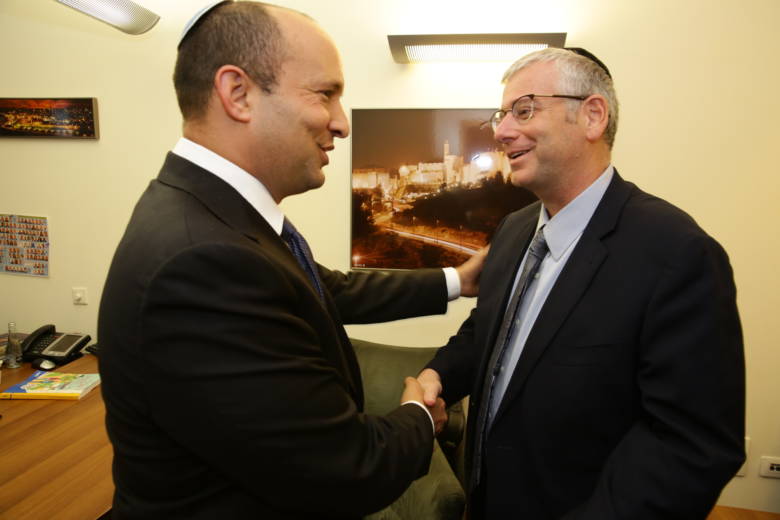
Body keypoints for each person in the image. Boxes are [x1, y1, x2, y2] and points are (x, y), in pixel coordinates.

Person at [97, 2, 485, 518]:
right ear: (238, 94)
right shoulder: (203, 262)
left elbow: (326, 289)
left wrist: (455, 281)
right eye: (326, 94)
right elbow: (347, 469)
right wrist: (419, 416)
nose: (342, 124)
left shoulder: (214, 214)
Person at [418, 47, 745, 519]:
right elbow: (489, 332)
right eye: (501, 114)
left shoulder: (678, 252)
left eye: (524, 109)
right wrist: (439, 376)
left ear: (592, 116)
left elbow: (690, 446)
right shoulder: (514, 230)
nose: (502, 130)